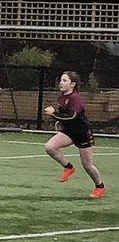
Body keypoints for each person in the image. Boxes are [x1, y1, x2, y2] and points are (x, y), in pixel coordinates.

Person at [43, 70, 106, 198]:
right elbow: (65, 116)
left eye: (65, 80)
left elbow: (73, 117)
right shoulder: (62, 97)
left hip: (82, 133)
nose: (61, 83)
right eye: (61, 80)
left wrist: (54, 114)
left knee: (87, 165)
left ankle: (100, 186)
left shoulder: (75, 98)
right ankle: (68, 167)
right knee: (50, 147)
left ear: (72, 84)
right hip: (69, 132)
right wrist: (59, 122)